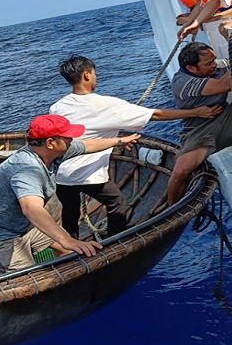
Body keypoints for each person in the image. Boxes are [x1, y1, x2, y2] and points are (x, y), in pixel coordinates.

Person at [50, 55, 221, 238]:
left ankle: (73, 244)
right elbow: (155, 115)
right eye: (94, 73)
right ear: (86, 75)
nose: (95, 77)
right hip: (89, 175)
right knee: (117, 203)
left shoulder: (58, 107)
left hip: (62, 175)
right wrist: (196, 111)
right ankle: (116, 242)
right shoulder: (107, 105)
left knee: (70, 210)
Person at [0, 115, 140, 273]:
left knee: (70, 252)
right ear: (50, 142)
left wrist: (120, 141)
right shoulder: (27, 168)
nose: (72, 140)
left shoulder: (54, 152)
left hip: (22, 224)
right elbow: (31, 208)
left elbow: (88, 145)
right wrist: (68, 239)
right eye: (67, 137)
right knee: (28, 280)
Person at [167, 43, 232, 205]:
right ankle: (172, 209)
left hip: (224, 116)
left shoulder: (216, 68)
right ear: (191, 68)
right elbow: (225, 85)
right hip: (198, 130)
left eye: (214, 60)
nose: (214, 65)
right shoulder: (182, 83)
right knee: (181, 171)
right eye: (208, 63)